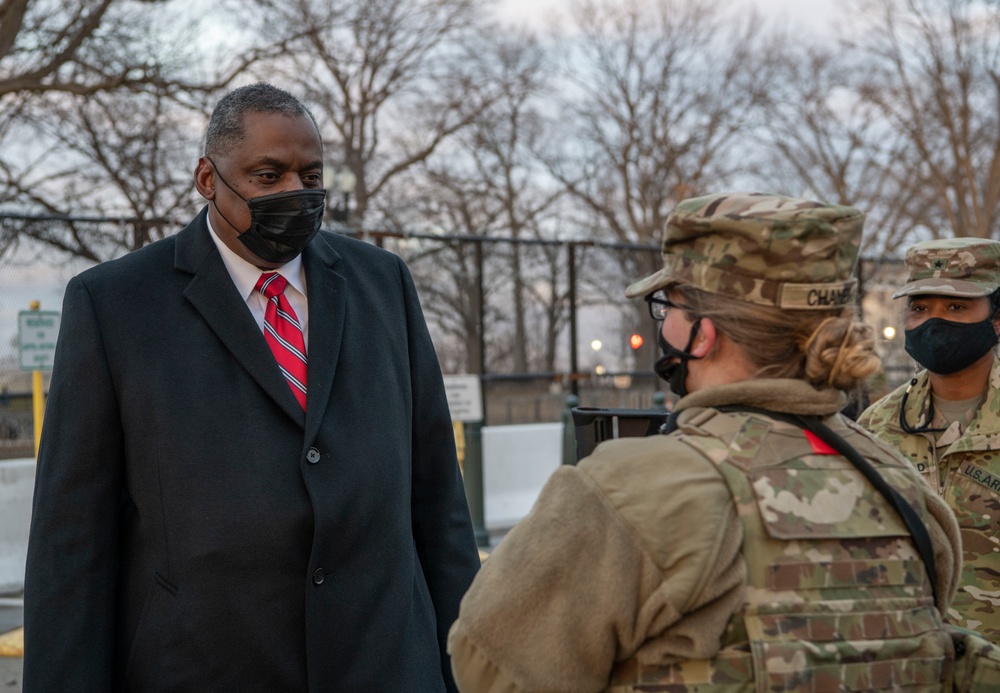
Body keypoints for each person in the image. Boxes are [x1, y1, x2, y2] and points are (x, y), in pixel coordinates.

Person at [23, 82, 480, 691]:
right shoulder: (114, 305)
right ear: (208, 179)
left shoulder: (384, 283)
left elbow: (437, 500)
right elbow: (71, 540)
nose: (296, 193)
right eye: (269, 176)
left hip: (386, 663)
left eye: (311, 175)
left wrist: (473, 670)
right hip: (205, 665)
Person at [447, 192, 965, 691]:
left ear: (703, 333)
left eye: (667, 306)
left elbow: (488, 667)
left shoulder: (628, 488)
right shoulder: (904, 488)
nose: (664, 324)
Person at [858, 237, 1000, 644]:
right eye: (920, 308)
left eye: (956, 307)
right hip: (907, 665)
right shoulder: (877, 427)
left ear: (996, 318)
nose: (934, 323)